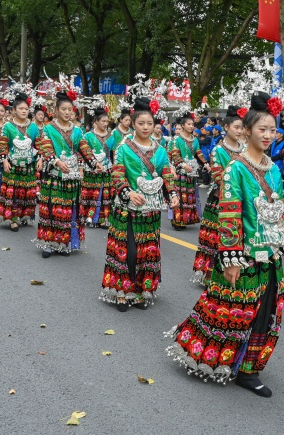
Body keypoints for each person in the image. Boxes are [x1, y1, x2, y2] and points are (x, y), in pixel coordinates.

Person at [167, 92, 284, 396]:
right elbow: (229, 215)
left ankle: (250, 371)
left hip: (271, 255)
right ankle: (208, 352)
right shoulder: (236, 168)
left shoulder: (275, 169)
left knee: (266, 315)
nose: (268, 135)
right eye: (262, 129)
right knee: (231, 311)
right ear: (247, 130)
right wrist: (230, 257)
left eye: (272, 129)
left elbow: (281, 212)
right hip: (245, 255)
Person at [101, 97, 179, 310]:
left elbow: (166, 174)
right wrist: (128, 192)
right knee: (129, 249)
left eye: (149, 123)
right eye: (141, 123)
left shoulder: (160, 150)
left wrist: (172, 194)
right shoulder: (123, 148)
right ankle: (122, 292)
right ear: (132, 124)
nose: (146, 127)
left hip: (150, 210)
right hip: (127, 207)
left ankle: (140, 290)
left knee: (147, 251)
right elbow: (117, 174)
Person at [35, 91, 94, 258]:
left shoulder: (77, 131)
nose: (68, 113)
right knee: (51, 209)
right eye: (64, 109)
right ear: (56, 110)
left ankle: (63, 242)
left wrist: (93, 162)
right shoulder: (47, 129)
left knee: (67, 210)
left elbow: (84, 148)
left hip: (72, 176)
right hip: (54, 175)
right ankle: (48, 243)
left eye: (70, 109)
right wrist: (56, 161)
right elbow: (45, 147)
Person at [192, 106, 245, 285]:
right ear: (227, 127)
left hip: (242, 202)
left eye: (242, 127)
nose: (240, 131)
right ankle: (210, 274)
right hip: (221, 201)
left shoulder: (246, 149)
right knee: (217, 237)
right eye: (236, 127)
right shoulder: (218, 151)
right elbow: (219, 178)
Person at [0, 93, 40, 232]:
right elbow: (2, 145)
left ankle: (23, 216)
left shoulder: (33, 127)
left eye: (26, 108)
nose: (24, 111)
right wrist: (4, 161)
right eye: (21, 108)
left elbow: (39, 145)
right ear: (14, 110)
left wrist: (41, 159)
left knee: (27, 192)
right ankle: (13, 219)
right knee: (12, 193)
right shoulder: (7, 126)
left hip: (29, 166)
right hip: (13, 165)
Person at [169, 112, 209, 230]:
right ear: (183, 125)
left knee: (189, 195)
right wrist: (182, 164)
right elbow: (175, 154)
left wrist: (205, 163)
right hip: (181, 171)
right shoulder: (177, 139)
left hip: (192, 171)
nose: (191, 126)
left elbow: (198, 152)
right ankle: (177, 221)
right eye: (189, 124)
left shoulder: (195, 139)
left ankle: (186, 219)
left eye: (192, 124)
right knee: (180, 196)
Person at [80, 107, 114, 228]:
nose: (105, 124)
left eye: (107, 121)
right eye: (103, 121)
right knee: (91, 193)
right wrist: (81, 168)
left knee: (105, 194)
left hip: (106, 169)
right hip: (91, 169)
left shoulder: (111, 136)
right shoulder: (88, 136)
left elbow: (113, 153)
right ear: (96, 122)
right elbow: (82, 153)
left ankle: (103, 219)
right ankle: (87, 216)